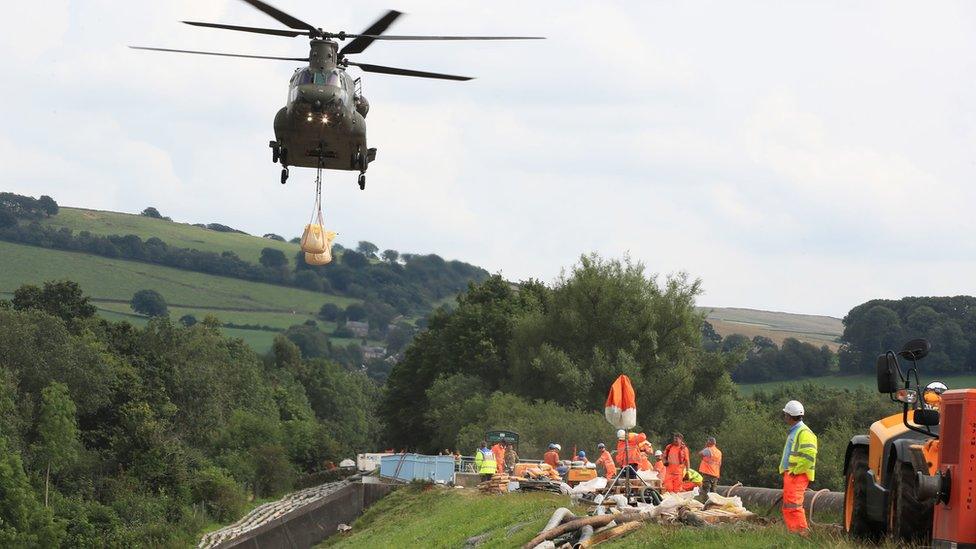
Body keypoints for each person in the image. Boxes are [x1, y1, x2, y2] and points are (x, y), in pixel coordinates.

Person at [779, 400, 818, 534]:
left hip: (797, 475)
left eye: (785, 414)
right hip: (792, 474)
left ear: (789, 416)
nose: (784, 417)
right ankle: (794, 531)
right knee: (789, 504)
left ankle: (802, 531)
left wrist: (796, 471)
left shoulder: (804, 432)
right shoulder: (796, 431)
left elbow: (809, 455)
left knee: (794, 504)